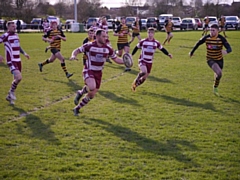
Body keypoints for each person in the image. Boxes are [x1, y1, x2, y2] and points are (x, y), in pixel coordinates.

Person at [70, 29, 125, 116]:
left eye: (106, 36)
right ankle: (81, 92)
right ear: (97, 36)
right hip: (89, 69)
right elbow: (77, 50)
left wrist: (125, 62)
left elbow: (116, 59)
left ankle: (77, 107)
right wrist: (73, 55)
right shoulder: (89, 45)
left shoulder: (108, 49)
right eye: (103, 36)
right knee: (92, 86)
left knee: (91, 95)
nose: (105, 38)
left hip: (98, 73)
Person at [189, 24, 232, 96]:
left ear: (217, 31)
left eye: (213, 30)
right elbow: (198, 43)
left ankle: (215, 85)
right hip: (210, 59)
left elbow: (230, 48)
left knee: (218, 75)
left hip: (219, 59)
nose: (211, 32)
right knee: (219, 73)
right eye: (210, 30)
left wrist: (226, 51)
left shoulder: (221, 38)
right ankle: (215, 88)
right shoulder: (207, 37)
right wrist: (192, 52)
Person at [131, 27, 172, 92]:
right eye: (149, 33)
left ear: (154, 34)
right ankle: (136, 79)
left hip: (149, 62)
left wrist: (168, 54)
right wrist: (131, 55)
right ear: (147, 33)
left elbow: (162, 49)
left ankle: (135, 85)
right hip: (142, 60)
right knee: (143, 71)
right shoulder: (143, 41)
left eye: (152, 33)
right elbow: (136, 47)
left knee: (144, 78)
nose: (150, 34)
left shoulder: (156, 43)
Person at [0, 21, 30, 104]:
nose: (15, 27)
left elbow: (18, 46)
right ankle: (11, 92)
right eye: (12, 26)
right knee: (19, 77)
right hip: (11, 60)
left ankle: (10, 97)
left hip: (18, 60)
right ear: (8, 27)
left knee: (16, 79)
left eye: (15, 26)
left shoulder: (16, 35)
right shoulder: (6, 36)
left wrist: (24, 53)